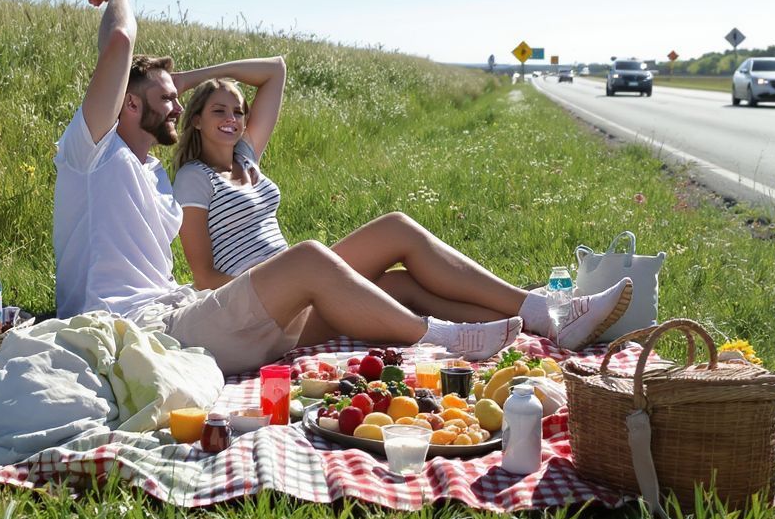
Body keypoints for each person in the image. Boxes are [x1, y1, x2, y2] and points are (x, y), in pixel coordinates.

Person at [53, 0, 632, 376]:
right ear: (128, 107)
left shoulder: (152, 172)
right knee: (313, 258)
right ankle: (448, 339)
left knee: (397, 255)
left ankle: (541, 316)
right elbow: (121, 43)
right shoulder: (92, 156)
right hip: (150, 322)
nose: (179, 104)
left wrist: (172, 72)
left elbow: (255, 70)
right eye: (170, 98)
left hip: (176, 307)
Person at [171, 65, 633, 353]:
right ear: (196, 120)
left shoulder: (246, 157)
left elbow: (275, 71)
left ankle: (545, 321)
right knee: (350, 250)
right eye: (218, 111)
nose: (233, 119)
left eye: (237, 110)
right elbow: (204, 278)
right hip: (262, 307)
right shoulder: (195, 176)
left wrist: (192, 78)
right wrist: (281, 280)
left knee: (401, 271)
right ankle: (536, 315)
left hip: (300, 284)